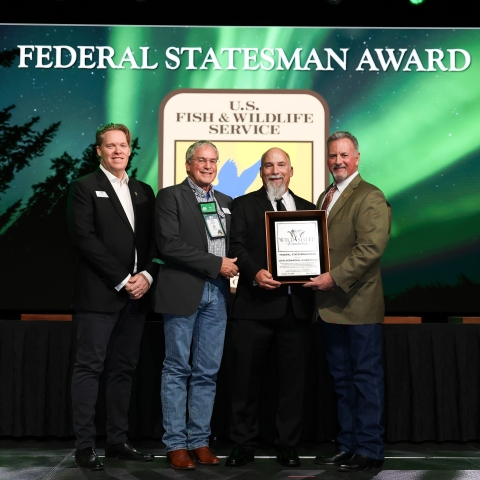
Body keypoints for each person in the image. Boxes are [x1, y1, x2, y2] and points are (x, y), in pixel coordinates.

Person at [67, 123, 158, 471]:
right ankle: (85, 446)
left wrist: (147, 275)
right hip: (99, 296)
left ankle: (117, 441)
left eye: (123, 145)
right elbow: (85, 239)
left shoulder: (143, 191)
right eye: (111, 146)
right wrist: (123, 279)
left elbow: (154, 242)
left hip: (137, 297)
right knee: (89, 369)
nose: (118, 151)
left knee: (123, 370)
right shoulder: (84, 187)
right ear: (99, 151)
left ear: (130, 150)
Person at [304, 131, 391, 472]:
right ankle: (349, 444)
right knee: (342, 380)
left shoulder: (370, 196)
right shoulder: (326, 195)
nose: (337, 161)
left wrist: (333, 277)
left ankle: (370, 448)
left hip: (358, 305)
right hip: (330, 307)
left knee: (365, 379)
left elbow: (370, 249)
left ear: (356, 158)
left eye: (343, 155)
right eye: (331, 156)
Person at [225, 147, 315, 468]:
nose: (275, 171)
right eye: (268, 166)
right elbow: (236, 246)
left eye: (281, 165)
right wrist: (254, 272)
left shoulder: (309, 209)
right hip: (254, 307)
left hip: (296, 308)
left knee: (292, 384)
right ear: (261, 172)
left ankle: (288, 445)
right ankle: (242, 443)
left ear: (292, 171)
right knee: (245, 382)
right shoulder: (244, 205)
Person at [154, 140, 237, 470]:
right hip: (182, 292)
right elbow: (169, 245)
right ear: (188, 164)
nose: (208, 165)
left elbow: (237, 246)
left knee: (207, 372)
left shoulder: (227, 203)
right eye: (201, 160)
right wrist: (217, 264)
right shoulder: (170, 197)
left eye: (213, 161)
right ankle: (175, 444)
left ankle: (199, 440)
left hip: (217, 296)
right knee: (177, 369)